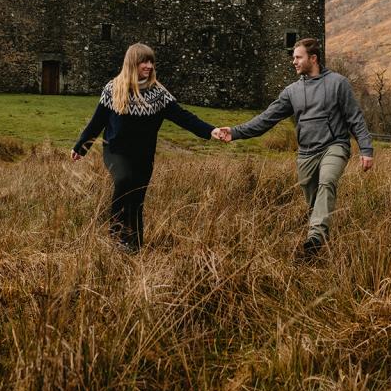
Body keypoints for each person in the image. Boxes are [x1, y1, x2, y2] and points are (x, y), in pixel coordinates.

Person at [214, 38, 373, 259]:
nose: (294, 62)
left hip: (335, 145)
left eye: (298, 57)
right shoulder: (292, 92)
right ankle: (319, 244)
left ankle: (314, 239)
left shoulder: (338, 83)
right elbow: (266, 120)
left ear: (313, 58)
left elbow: (355, 118)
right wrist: (236, 132)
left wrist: (366, 149)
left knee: (327, 182)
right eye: (293, 58)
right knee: (313, 201)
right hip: (306, 153)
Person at [72, 42, 221, 252]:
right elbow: (97, 122)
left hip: (143, 155)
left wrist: (211, 130)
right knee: (124, 182)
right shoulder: (113, 89)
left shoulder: (158, 93)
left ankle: (135, 244)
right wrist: (80, 148)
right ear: (132, 63)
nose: (149, 65)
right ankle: (117, 236)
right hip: (115, 150)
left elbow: (183, 117)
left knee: (137, 197)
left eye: (151, 61)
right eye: (144, 61)